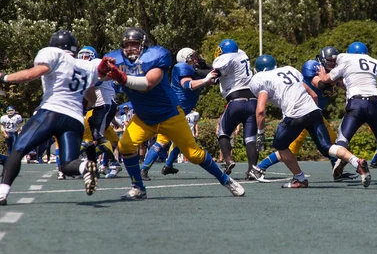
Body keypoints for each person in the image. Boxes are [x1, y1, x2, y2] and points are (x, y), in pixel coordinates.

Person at [101, 28, 244, 200]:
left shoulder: (155, 56)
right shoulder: (117, 59)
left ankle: (225, 180)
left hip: (169, 115)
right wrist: (100, 72)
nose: (131, 48)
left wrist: (121, 78)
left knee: (194, 154)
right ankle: (138, 187)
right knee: (125, 146)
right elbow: (100, 79)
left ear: (143, 45)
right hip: (144, 117)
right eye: (127, 44)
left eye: (135, 44)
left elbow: (149, 83)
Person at [0, 30, 99, 205]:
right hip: (75, 119)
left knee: (18, 150)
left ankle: (2, 192)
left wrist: (5, 77)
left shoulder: (54, 55)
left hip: (52, 112)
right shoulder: (87, 67)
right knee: (68, 165)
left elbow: (32, 74)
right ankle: (85, 166)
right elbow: (92, 98)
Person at [247, 55, 369, 188]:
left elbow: (260, 111)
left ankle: (299, 178)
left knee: (280, 145)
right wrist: (310, 114)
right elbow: (314, 95)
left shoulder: (260, 78)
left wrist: (260, 132)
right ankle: (357, 162)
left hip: (295, 114)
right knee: (327, 147)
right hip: (313, 111)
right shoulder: (290, 70)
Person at [317, 42, 377, 186]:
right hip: (375, 103)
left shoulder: (345, 58)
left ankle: (340, 160)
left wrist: (323, 75)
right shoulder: (375, 62)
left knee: (343, 137)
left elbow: (327, 80)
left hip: (356, 103)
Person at [140, 47, 214, 180]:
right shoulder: (181, 67)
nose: (196, 59)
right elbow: (187, 85)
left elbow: (212, 78)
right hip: (172, 110)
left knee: (183, 139)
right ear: (185, 59)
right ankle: (143, 169)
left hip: (179, 111)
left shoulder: (193, 70)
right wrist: (205, 80)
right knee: (162, 141)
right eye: (192, 57)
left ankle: (168, 166)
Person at [207, 39, 259, 179]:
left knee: (223, 132)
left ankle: (228, 160)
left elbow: (214, 75)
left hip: (236, 102)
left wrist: (197, 70)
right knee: (250, 138)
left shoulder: (226, 59)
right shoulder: (241, 55)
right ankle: (252, 170)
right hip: (253, 101)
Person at [77, 46, 122, 178]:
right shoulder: (82, 68)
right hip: (99, 106)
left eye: (86, 55)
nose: (83, 58)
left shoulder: (96, 62)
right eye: (81, 55)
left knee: (97, 135)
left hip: (105, 104)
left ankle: (114, 163)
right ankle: (91, 164)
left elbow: (96, 81)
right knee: (91, 137)